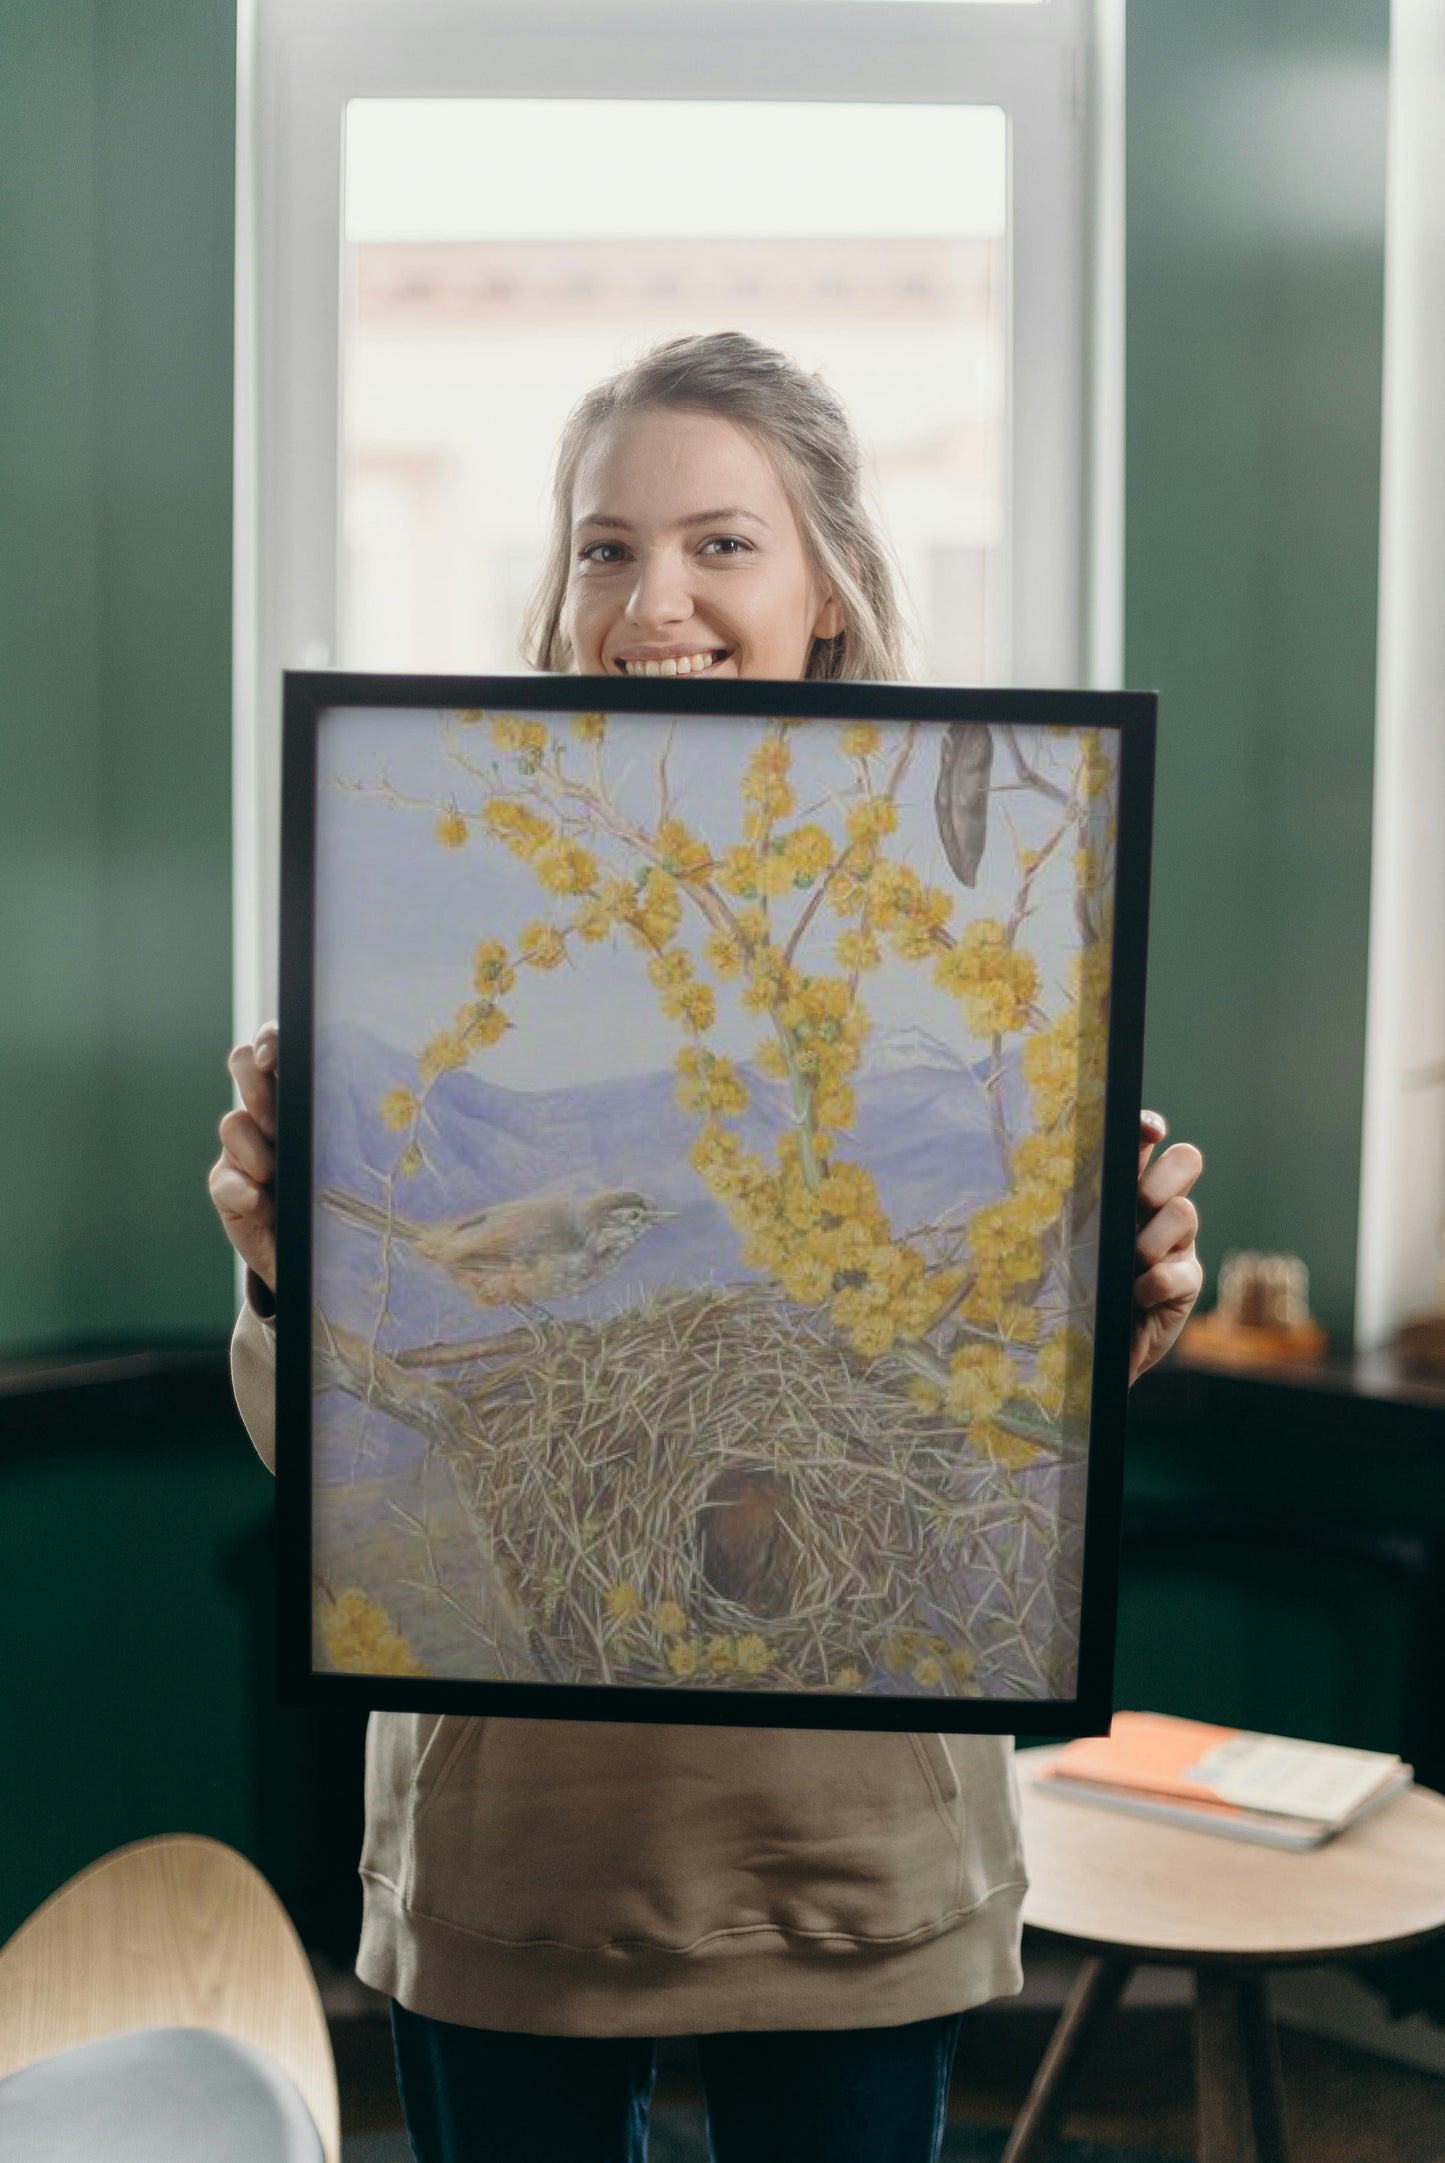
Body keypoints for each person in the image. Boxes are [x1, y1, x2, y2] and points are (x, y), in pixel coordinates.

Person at [210, 332, 1204, 2163]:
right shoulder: (407, 878)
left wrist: (1105, 1314)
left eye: (719, 544)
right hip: (518, 1848)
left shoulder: (984, 937)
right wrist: (289, 1275)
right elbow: (338, 1461)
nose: (649, 597)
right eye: (604, 546)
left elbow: (983, 1438)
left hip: (852, 1845)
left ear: (827, 585)